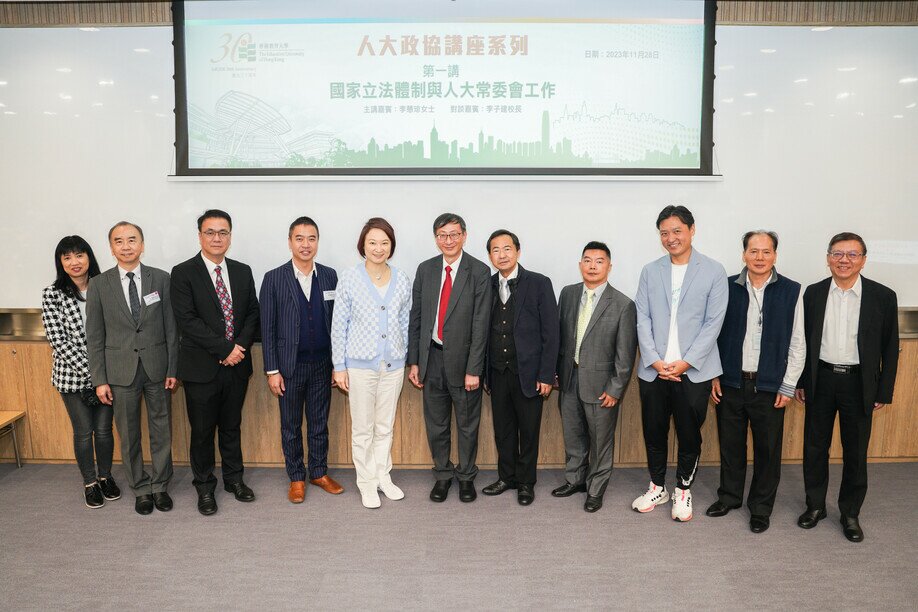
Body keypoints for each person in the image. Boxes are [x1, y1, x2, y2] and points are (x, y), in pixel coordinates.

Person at [795, 232, 899, 542]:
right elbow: (803, 342)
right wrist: (801, 381)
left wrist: (883, 390)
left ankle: (850, 512)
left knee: (856, 451)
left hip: (859, 382)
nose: (844, 260)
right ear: (828, 258)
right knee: (815, 448)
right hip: (820, 380)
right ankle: (815, 506)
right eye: (838, 254)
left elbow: (890, 347)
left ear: (863, 260)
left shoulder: (883, 296)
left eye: (852, 255)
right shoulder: (812, 294)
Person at [633, 205, 728, 522]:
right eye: (664, 232)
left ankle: (683, 490)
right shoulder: (650, 270)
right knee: (654, 432)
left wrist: (686, 362)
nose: (670, 238)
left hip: (694, 372)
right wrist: (655, 361)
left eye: (676, 230)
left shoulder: (713, 270)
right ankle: (657, 486)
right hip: (654, 370)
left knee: (689, 434)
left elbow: (713, 324)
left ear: (691, 230)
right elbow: (642, 319)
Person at [707, 231, 805, 533]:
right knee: (731, 446)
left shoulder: (792, 291)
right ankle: (730, 497)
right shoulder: (727, 287)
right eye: (753, 251)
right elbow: (710, 334)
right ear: (744, 255)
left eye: (765, 252)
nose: (759, 258)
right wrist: (713, 373)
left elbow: (798, 342)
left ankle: (761, 508)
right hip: (732, 382)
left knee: (768, 450)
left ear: (775, 255)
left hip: (770, 387)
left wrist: (788, 384)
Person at [170, 210, 260, 516]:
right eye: (210, 232)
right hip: (201, 368)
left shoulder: (243, 271)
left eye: (223, 232)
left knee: (232, 427)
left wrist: (239, 348)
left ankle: (234, 480)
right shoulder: (183, 273)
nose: (217, 238)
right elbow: (187, 320)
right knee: (203, 431)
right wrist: (225, 349)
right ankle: (205, 487)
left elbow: (251, 314)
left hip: (237, 366)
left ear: (230, 236)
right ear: (199, 236)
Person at [85, 222, 178, 515]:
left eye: (132, 240)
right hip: (120, 371)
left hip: (158, 369)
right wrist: (99, 379)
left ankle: (160, 485)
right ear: (111, 247)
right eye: (119, 241)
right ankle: (140, 488)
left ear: (142, 244)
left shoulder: (160, 279)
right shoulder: (99, 284)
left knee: (161, 429)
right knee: (129, 434)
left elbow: (172, 330)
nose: (126, 246)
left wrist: (173, 368)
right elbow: (95, 336)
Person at [407, 212, 492, 503]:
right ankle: (443, 475)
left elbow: (481, 325)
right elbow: (416, 317)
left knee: (468, 424)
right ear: (436, 239)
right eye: (442, 235)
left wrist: (474, 369)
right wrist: (415, 361)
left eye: (454, 234)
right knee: (437, 424)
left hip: (464, 364)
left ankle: (466, 476)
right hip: (431, 360)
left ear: (465, 236)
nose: (449, 240)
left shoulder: (478, 271)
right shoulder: (426, 269)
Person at [260, 216, 343, 503]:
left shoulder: (331, 275)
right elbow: (267, 327)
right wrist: (272, 370)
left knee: (320, 422)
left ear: (318, 242)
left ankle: (319, 472)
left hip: (322, 364)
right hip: (289, 367)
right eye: (299, 238)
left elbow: (338, 323)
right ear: (290, 242)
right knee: (291, 425)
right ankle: (296, 477)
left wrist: (337, 365)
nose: (305, 244)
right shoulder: (274, 278)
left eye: (311, 238)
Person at [331, 218, 412, 509]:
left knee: (385, 427)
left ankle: (383, 477)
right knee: (363, 429)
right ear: (363, 245)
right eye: (372, 242)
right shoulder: (350, 278)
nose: (378, 248)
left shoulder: (402, 278)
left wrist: (405, 358)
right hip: (359, 366)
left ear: (392, 246)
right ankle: (366, 483)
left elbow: (404, 323)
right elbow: (339, 325)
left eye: (384, 242)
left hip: (393, 365)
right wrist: (338, 365)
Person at [554, 241, 637, 512]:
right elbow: (560, 338)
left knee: (601, 440)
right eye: (587, 260)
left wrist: (616, 388)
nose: (592, 266)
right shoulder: (567, 294)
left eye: (599, 261)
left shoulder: (623, 304)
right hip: (568, 379)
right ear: (580, 265)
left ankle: (596, 489)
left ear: (609, 267)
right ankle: (575, 479)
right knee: (574, 434)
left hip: (602, 385)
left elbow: (625, 354)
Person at [482, 230, 560, 506]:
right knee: (502, 429)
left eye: (506, 249)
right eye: (495, 250)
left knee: (528, 430)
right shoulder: (486, 285)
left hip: (529, 373)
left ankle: (526, 482)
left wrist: (546, 374)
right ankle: (507, 477)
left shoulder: (538, 283)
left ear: (517, 251)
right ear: (489, 255)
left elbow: (551, 333)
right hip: (497, 372)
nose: (501, 255)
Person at [41, 236, 120, 508]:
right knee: (84, 432)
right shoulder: (52, 294)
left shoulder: (105, 286)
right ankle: (90, 483)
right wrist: (93, 374)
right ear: (60, 262)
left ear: (89, 257)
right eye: (67, 257)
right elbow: (58, 340)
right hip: (72, 377)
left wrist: (103, 375)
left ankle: (106, 476)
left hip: (108, 376)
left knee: (104, 430)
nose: (74, 262)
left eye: (79, 255)